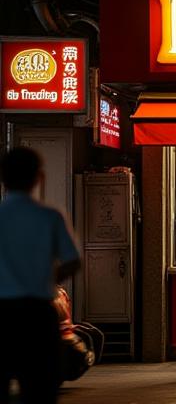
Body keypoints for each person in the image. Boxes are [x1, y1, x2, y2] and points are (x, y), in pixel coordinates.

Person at [0, 147, 81, 404]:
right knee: (41, 389)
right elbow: (72, 261)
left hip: (2, 313)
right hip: (38, 314)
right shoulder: (49, 216)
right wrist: (47, 277)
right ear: (38, 177)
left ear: (3, 177)